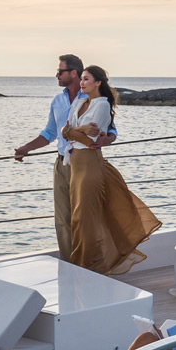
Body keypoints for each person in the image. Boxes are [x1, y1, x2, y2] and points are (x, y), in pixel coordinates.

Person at [12, 54, 116, 260]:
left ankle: (91, 263)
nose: (56, 75)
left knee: (86, 218)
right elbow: (51, 132)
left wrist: (106, 139)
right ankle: (70, 264)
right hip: (62, 163)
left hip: (85, 164)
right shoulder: (58, 101)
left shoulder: (92, 100)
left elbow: (108, 130)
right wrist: (26, 148)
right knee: (63, 219)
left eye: (60, 71)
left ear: (73, 73)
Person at [62, 65, 160, 274]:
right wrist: (78, 129)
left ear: (98, 82)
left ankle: (90, 267)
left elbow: (89, 140)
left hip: (90, 163)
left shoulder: (102, 105)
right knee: (77, 219)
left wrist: (72, 132)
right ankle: (81, 266)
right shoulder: (79, 102)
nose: (82, 83)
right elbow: (65, 131)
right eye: (81, 78)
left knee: (86, 219)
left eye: (86, 79)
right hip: (75, 164)